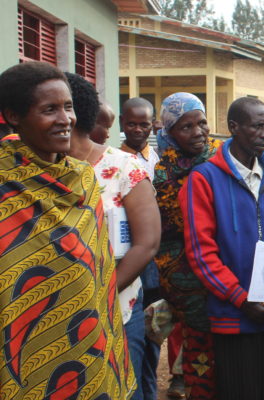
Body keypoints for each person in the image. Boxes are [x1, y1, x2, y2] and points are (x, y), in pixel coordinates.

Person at [0, 61, 135, 399]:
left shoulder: (83, 178)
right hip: (20, 345)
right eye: (50, 109)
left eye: (68, 107)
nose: (66, 119)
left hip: (87, 338)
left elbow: (97, 268)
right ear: (13, 116)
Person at [182, 97, 264, 399]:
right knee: (239, 390)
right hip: (232, 314)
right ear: (234, 127)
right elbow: (201, 254)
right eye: (258, 126)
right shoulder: (204, 178)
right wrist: (240, 299)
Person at [65, 72, 161, 400]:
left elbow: (147, 242)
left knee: (121, 388)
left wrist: (98, 296)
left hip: (117, 306)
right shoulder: (34, 170)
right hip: (53, 313)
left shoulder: (122, 167)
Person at [153, 92, 221, 400]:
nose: (197, 132)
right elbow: (167, 230)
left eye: (202, 123)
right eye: (186, 127)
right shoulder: (162, 173)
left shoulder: (225, 158)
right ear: (170, 132)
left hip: (227, 264)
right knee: (200, 346)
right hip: (185, 275)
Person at [119, 96, 163, 400]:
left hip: (157, 259)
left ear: (153, 125)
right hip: (131, 254)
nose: (137, 129)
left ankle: (150, 389)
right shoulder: (114, 162)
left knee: (154, 331)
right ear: (122, 124)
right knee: (132, 336)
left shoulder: (159, 161)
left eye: (143, 124)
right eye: (131, 124)